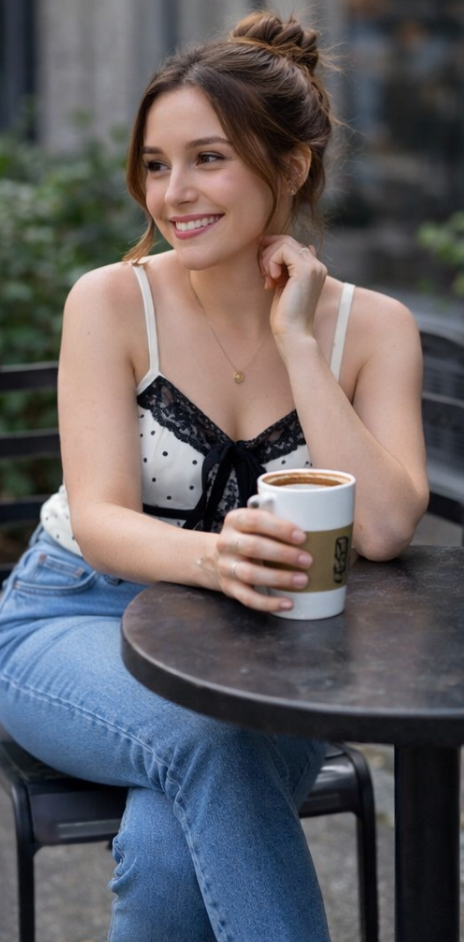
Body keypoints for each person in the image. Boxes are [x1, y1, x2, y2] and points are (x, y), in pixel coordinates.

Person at [0, 11, 429, 942]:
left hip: (276, 664)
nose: (173, 193)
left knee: (166, 840)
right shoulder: (110, 302)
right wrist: (217, 558)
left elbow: (388, 527)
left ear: (292, 168)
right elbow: (106, 520)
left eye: (207, 159)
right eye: (156, 164)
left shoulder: (378, 328)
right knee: (203, 740)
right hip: (76, 619)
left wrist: (300, 343)